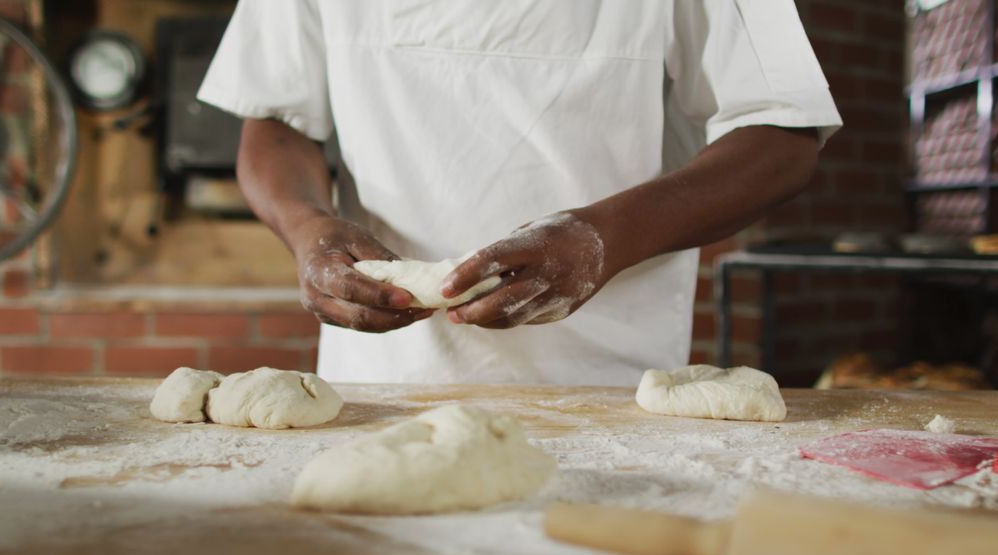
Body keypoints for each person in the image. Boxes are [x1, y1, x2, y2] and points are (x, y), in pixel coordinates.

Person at [198, 1, 842, 386]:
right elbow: (274, 120)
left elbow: (781, 134)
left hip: (607, 388)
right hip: (378, 388)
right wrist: (307, 225)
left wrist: (603, 238)